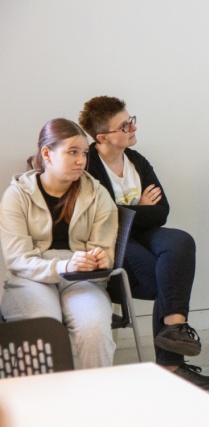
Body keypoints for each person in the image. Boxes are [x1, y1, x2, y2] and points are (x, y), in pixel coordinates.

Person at [78, 96, 209, 389]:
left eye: (131, 120)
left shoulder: (136, 161)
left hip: (143, 234)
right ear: (102, 138)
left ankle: (174, 328)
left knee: (180, 241)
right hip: (110, 242)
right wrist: (140, 207)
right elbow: (101, 220)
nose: (133, 128)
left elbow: (162, 212)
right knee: (165, 278)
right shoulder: (88, 166)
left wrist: (125, 211)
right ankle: (170, 365)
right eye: (124, 126)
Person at [0, 118, 118, 369]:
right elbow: (17, 259)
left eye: (84, 153)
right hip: (30, 277)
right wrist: (64, 266)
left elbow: (104, 251)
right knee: (44, 329)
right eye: (72, 152)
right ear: (47, 154)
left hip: (81, 279)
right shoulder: (17, 195)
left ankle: (97, 392)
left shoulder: (98, 194)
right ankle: (42, 395)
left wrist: (101, 259)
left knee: (95, 329)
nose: (81, 161)